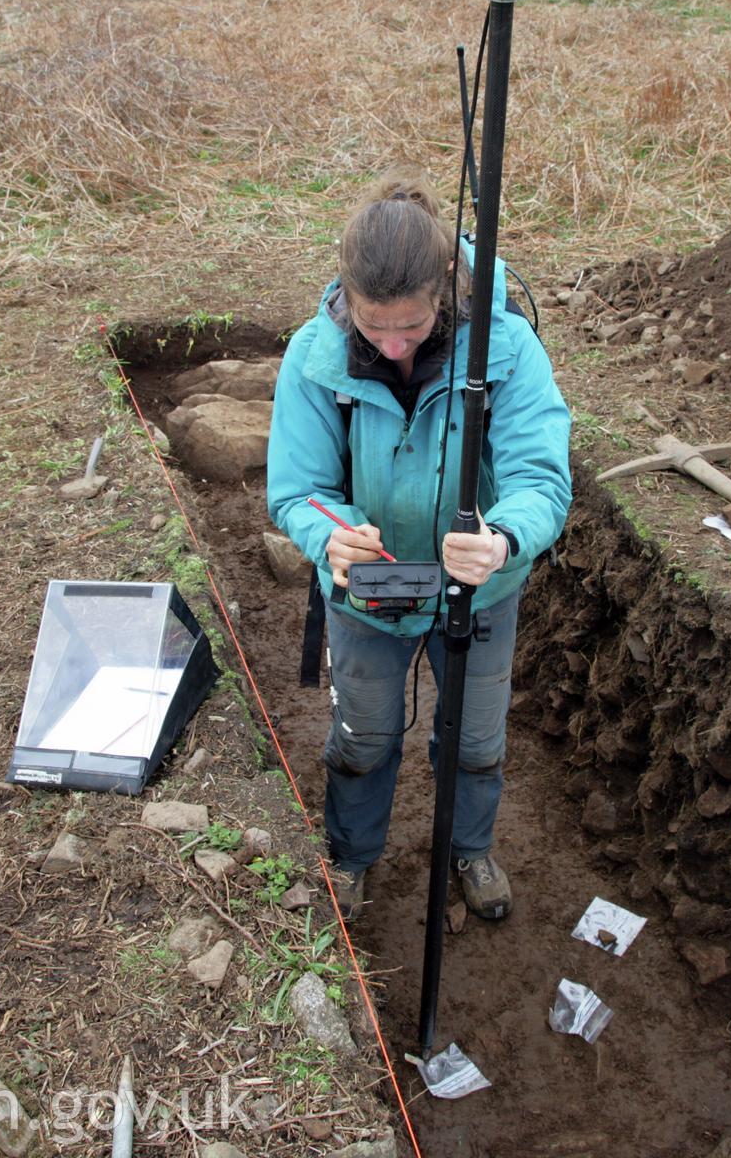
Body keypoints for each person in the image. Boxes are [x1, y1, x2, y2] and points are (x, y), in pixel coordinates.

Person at [267, 168, 572, 922]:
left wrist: (502, 538)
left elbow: (542, 476)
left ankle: (468, 848)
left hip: (484, 591)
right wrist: (332, 537)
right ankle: (351, 858)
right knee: (362, 736)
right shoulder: (315, 357)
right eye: (375, 327)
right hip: (370, 593)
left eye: (414, 324)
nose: (395, 344)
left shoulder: (506, 348)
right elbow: (296, 488)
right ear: (347, 298)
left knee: (474, 739)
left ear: (446, 291)